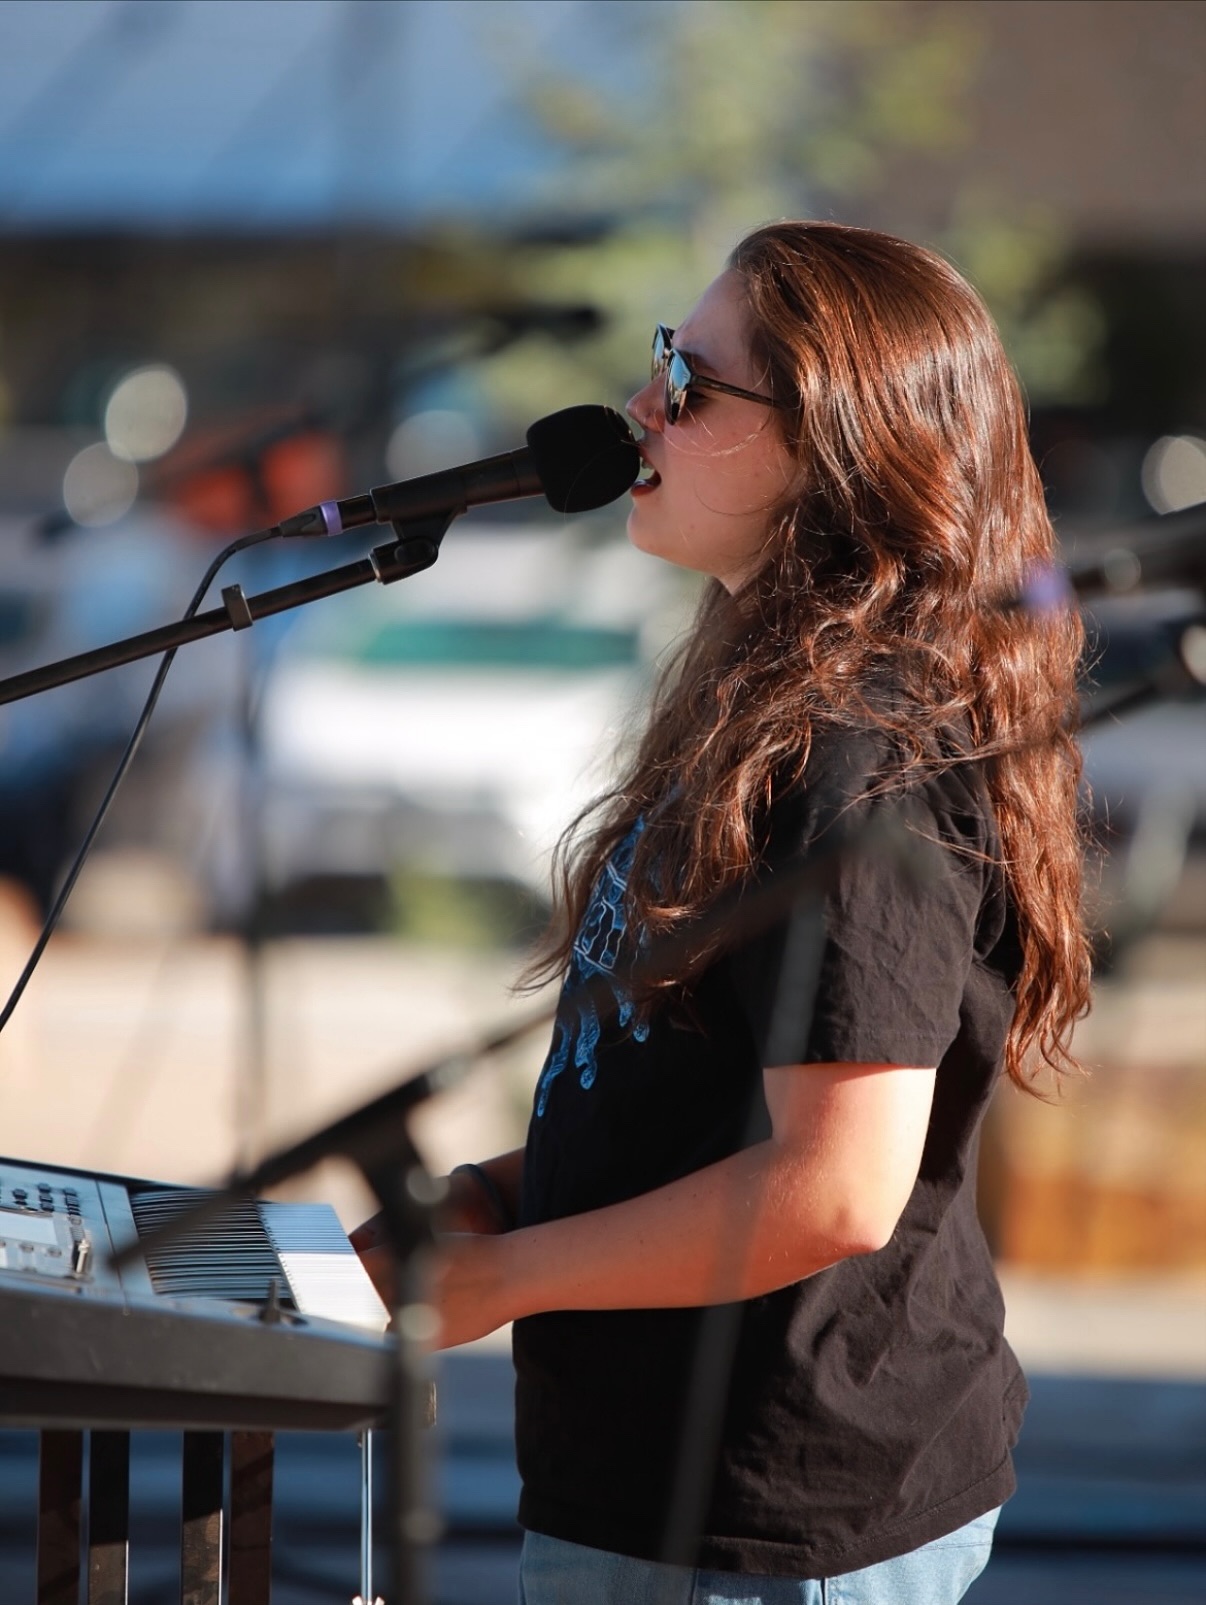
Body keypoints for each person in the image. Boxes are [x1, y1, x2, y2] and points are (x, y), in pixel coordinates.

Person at [353, 220, 1090, 1604]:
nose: (640, 407)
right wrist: (488, 1204)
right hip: (659, 1493)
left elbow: (833, 1186)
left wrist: (507, 1274)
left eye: (689, 382)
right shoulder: (759, 697)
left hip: (763, 1519)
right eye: (656, 362)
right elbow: (698, 1088)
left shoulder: (863, 748)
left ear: (833, 446)